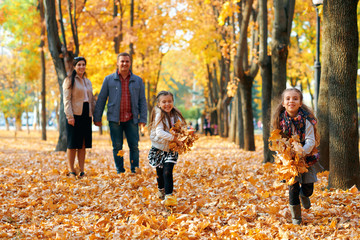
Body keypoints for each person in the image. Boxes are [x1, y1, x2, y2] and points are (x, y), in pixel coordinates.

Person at [271, 87, 323, 225]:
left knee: (308, 187)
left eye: (295, 98)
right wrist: (284, 158)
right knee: (292, 187)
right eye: (288, 98)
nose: (291, 101)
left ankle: (304, 195)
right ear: (283, 103)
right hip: (288, 161)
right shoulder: (280, 121)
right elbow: (277, 143)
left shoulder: (307, 120)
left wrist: (301, 153)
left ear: (300, 102)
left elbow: (311, 140)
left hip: (305, 157)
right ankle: (296, 218)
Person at [93, 52, 147, 174]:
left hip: (132, 119)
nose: (124, 63)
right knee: (117, 146)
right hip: (114, 119)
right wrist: (97, 117)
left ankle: (134, 170)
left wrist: (143, 118)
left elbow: (142, 100)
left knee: (134, 147)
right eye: (122, 61)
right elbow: (101, 99)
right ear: (117, 63)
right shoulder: (109, 79)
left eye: (127, 61)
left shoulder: (137, 80)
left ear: (130, 63)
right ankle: (120, 171)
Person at [148, 91, 185, 207]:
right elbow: (159, 132)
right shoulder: (159, 114)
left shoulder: (175, 114)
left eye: (169, 101)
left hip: (171, 148)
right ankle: (161, 189)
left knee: (168, 171)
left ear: (173, 102)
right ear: (159, 104)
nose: (167, 104)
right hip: (158, 148)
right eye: (164, 102)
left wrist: (185, 133)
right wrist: (175, 138)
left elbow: (181, 126)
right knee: (160, 173)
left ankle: (169, 197)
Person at [63, 56, 95, 179]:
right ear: (75, 67)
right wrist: (69, 116)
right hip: (74, 114)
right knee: (72, 144)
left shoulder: (88, 81)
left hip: (86, 114)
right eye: (79, 64)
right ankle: (71, 171)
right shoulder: (69, 80)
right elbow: (66, 100)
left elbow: (91, 100)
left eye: (83, 64)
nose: (81, 67)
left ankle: (81, 171)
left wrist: (92, 114)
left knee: (82, 144)